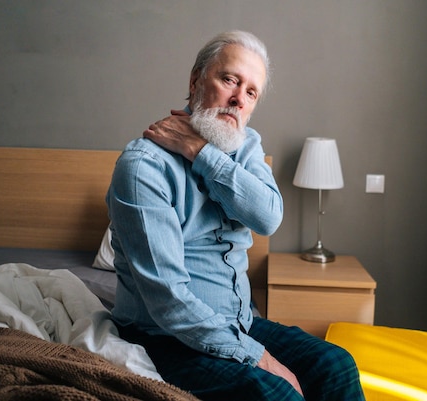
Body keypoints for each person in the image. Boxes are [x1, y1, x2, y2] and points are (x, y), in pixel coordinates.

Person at [107, 30, 365, 401]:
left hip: (239, 323)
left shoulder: (244, 145)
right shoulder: (142, 169)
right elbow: (167, 300)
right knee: (276, 394)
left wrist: (201, 152)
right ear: (196, 80)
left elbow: (268, 218)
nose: (238, 100)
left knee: (336, 365)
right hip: (166, 338)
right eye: (229, 79)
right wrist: (256, 356)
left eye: (251, 92)